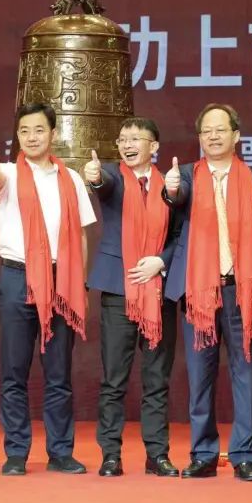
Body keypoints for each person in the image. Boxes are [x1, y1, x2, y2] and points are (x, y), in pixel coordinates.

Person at [0, 102, 96, 476]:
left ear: (53, 133)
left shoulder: (71, 179)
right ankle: (16, 452)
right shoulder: (7, 173)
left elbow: (81, 234)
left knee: (59, 373)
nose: (31, 137)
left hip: (62, 280)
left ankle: (61, 452)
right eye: (24, 131)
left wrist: (79, 284)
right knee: (14, 372)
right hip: (17, 278)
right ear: (17, 136)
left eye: (38, 130)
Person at [164, 103, 252, 482]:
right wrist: (171, 191)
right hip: (200, 293)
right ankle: (203, 454)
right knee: (200, 378)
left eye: (220, 129)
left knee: (246, 376)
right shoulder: (187, 177)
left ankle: (245, 455)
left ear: (236, 135)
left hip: (241, 292)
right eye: (206, 131)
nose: (213, 136)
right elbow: (175, 199)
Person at [84, 117, 180, 478]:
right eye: (123, 139)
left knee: (157, 379)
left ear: (154, 146)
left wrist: (161, 261)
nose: (127, 144)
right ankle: (111, 454)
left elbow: (180, 234)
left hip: (159, 291)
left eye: (136, 138)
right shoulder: (113, 176)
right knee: (114, 379)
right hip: (118, 288)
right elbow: (102, 184)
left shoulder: (172, 183)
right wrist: (94, 176)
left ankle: (158, 454)